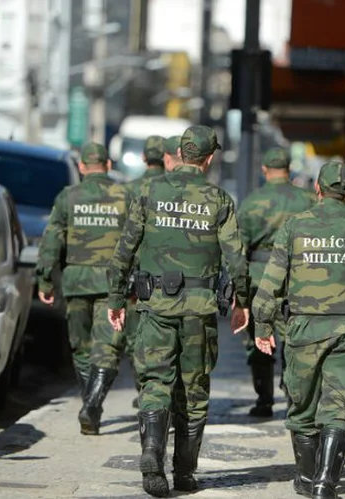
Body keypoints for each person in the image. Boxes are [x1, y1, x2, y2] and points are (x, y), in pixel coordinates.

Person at [107, 125, 250, 497]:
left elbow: (124, 249)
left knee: (155, 382)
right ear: (210, 157)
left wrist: (115, 299)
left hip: (155, 306)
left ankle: (152, 451)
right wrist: (243, 303)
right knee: (194, 391)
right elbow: (236, 257)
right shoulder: (219, 199)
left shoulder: (149, 191)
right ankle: (184, 474)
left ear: (180, 153)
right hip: (198, 312)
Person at [252, 161, 345, 499]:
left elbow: (272, 281)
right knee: (339, 406)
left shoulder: (295, 226)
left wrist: (262, 323)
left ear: (317, 190)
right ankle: (325, 483)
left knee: (302, 408)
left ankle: (307, 480)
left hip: (304, 328)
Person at [36, 142, 132, 436]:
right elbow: (135, 241)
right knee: (109, 346)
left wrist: (45, 279)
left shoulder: (68, 196)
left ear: (81, 167)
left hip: (76, 281)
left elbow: (52, 240)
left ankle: (90, 405)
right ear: (107, 165)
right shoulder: (124, 196)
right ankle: (92, 405)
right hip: (112, 283)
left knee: (81, 347)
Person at [236, 147, 315, 418]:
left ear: (264, 170)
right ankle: (293, 395)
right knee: (295, 342)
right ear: (289, 168)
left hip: (261, 279)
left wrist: (241, 298)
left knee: (260, 342)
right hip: (298, 279)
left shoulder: (251, 203)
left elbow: (239, 251)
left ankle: (264, 400)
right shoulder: (307, 200)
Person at [124, 135, 167, 408]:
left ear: (143, 158)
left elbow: (124, 237)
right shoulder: (171, 189)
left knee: (136, 334)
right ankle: (160, 390)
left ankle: (145, 387)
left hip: (135, 274)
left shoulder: (129, 189)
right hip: (165, 274)